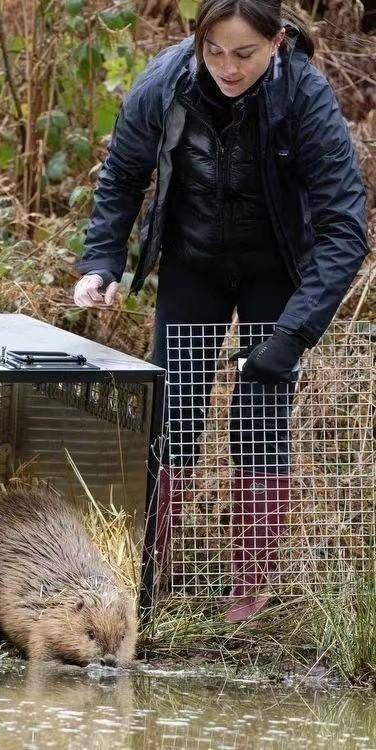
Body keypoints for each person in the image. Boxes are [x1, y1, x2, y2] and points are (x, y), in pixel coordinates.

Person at [73, 0, 368, 622]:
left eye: (245, 54)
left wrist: (292, 335)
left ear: (277, 43)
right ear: (197, 41)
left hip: (275, 268)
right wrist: (102, 262)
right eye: (214, 52)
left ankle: (249, 595)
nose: (227, 69)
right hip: (193, 260)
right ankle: (149, 581)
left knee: (258, 420)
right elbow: (123, 175)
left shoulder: (306, 101)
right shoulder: (163, 84)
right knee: (172, 417)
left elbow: (344, 227)